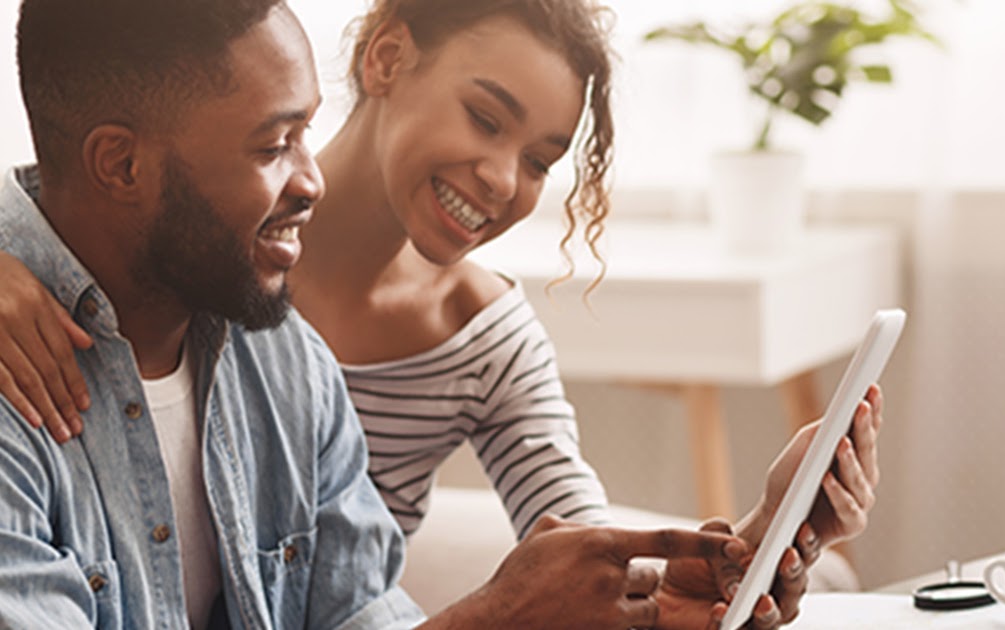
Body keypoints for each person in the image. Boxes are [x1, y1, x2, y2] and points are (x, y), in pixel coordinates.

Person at [0, 0, 800, 627]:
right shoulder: (22, 366)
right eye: (272, 146)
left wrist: (701, 572)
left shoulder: (285, 356)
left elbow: (366, 612)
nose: (309, 182)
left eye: (538, 160)